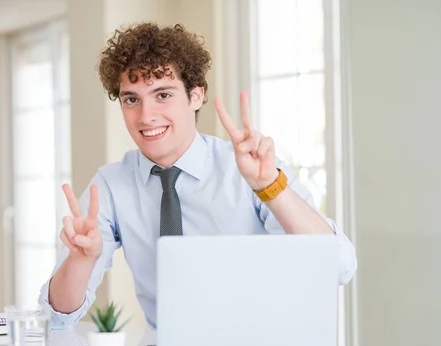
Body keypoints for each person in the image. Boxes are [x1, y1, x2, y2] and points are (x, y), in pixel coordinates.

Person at [38, 22, 357, 329]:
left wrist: (270, 187)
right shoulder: (111, 185)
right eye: (131, 99)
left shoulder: (247, 168)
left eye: (163, 95)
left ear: (195, 96)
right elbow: (57, 317)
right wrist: (81, 260)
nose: (146, 115)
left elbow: (338, 266)